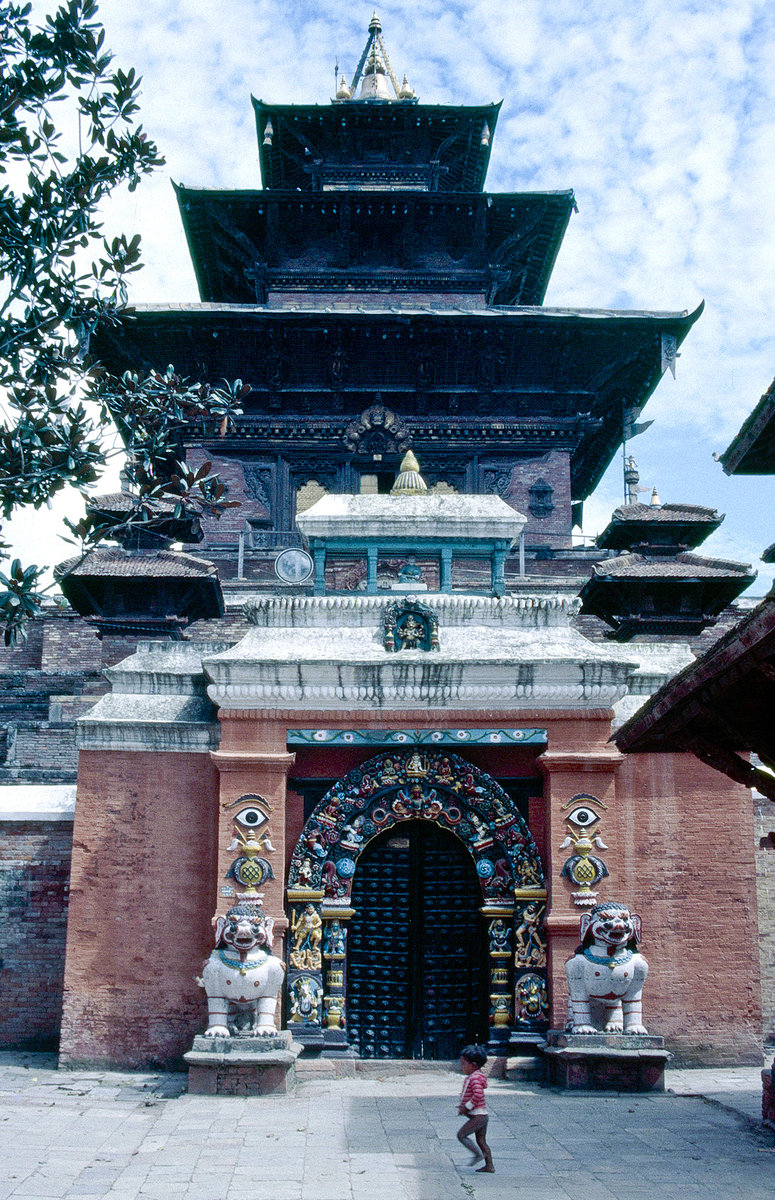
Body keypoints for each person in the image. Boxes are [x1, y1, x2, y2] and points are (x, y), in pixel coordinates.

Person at [456, 1045, 494, 1173]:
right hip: (482, 1115)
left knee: (461, 1135)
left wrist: (466, 1107)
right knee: (481, 1140)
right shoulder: (476, 1076)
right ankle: (489, 1166)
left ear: (473, 1065)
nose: (462, 1067)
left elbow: (478, 1095)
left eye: (463, 1064)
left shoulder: (474, 1078)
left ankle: (477, 1155)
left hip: (479, 1116)